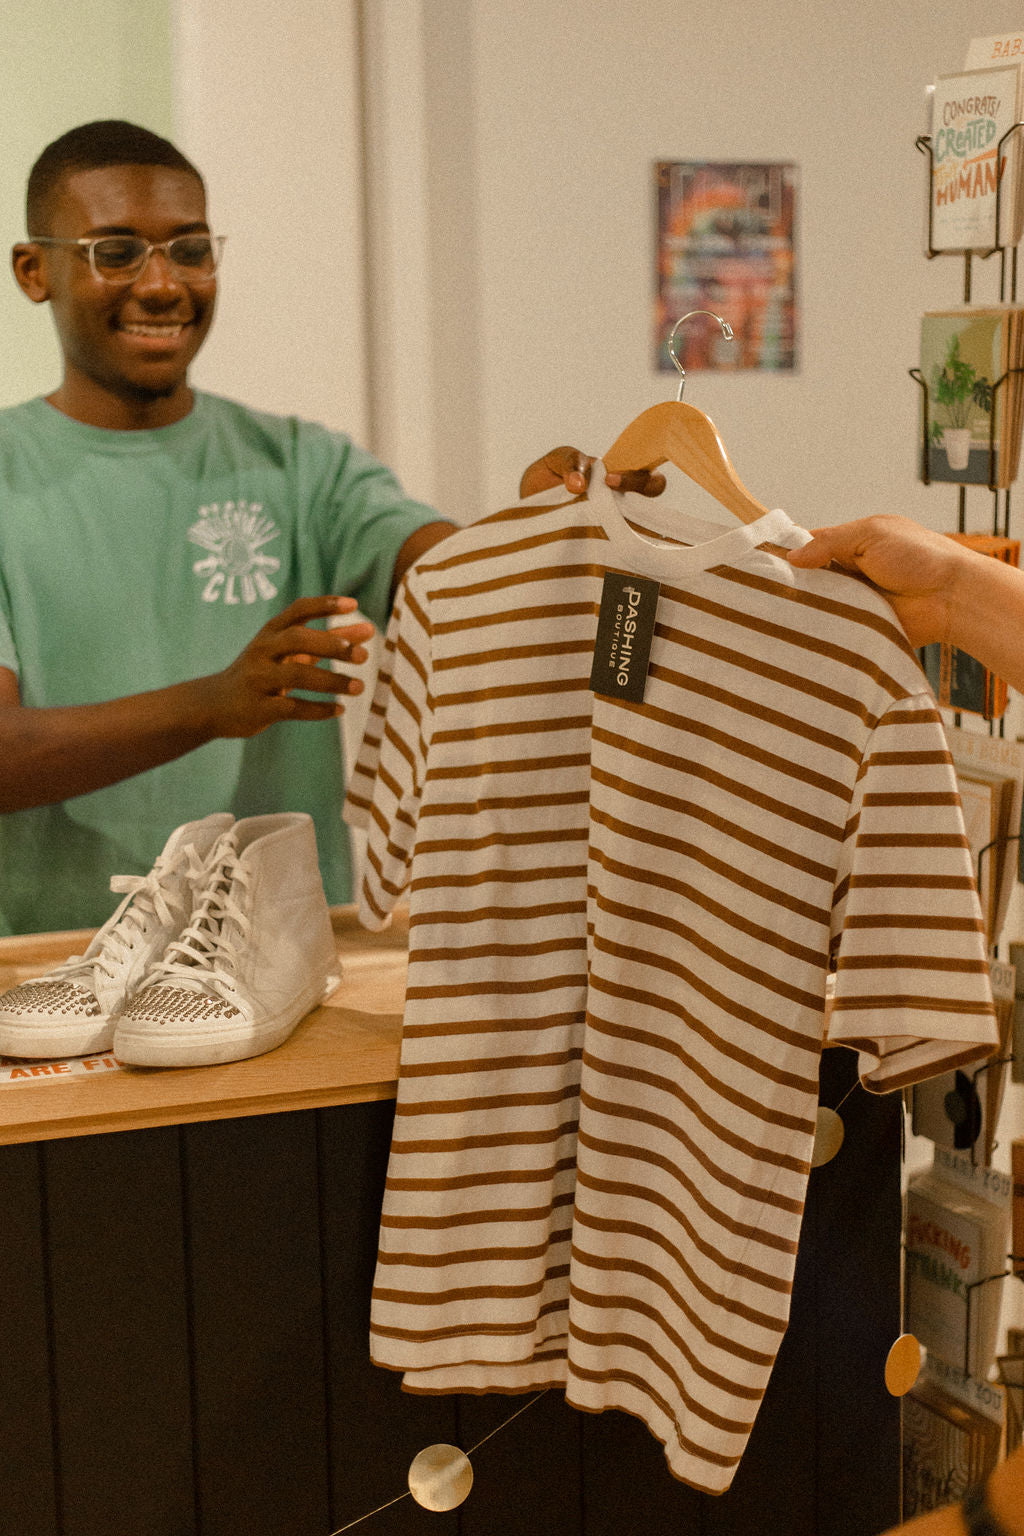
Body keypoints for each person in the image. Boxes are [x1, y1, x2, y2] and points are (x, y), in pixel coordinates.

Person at [0, 120, 658, 935]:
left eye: (191, 248)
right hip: (42, 973)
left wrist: (539, 533)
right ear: (34, 271)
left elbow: (457, 590)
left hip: (277, 964)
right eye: (117, 250)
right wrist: (216, 703)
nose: (164, 283)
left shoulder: (304, 467)